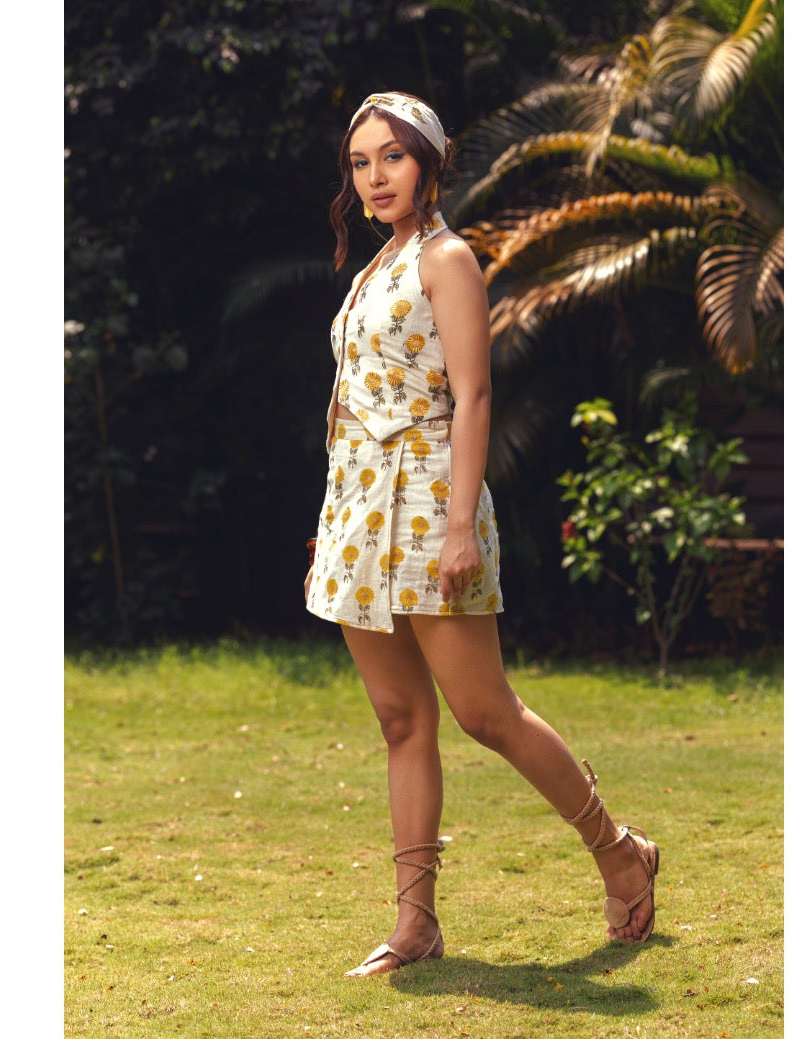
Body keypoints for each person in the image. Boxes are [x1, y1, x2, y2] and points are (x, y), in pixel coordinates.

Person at [304, 91, 659, 978]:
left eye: (392, 157)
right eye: (360, 162)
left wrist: (459, 527)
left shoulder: (447, 258)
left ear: (428, 161)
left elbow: (473, 396)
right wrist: (335, 524)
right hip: (359, 510)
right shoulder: (373, 267)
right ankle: (416, 924)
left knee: (484, 713)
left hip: (430, 500)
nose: (375, 177)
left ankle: (619, 851)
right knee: (399, 719)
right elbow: (352, 403)